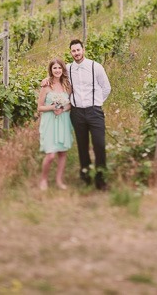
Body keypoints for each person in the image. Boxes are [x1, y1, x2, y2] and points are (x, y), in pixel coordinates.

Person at [66, 39, 111, 190]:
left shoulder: (95, 67)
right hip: (77, 113)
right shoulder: (68, 69)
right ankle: (86, 177)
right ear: (70, 52)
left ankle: (101, 179)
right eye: (73, 51)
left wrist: (97, 103)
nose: (76, 53)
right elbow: (56, 78)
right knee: (82, 146)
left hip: (94, 111)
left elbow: (106, 88)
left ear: (83, 50)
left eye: (78, 50)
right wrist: (46, 80)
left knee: (99, 145)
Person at [38, 58, 73, 191]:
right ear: (51, 70)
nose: (57, 70)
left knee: (62, 152)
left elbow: (70, 104)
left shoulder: (67, 86)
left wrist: (63, 109)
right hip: (50, 122)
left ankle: (59, 180)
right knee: (51, 154)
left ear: (63, 70)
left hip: (63, 120)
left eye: (59, 68)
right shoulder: (46, 86)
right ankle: (43, 180)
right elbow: (39, 107)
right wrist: (52, 108)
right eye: (54, 68)